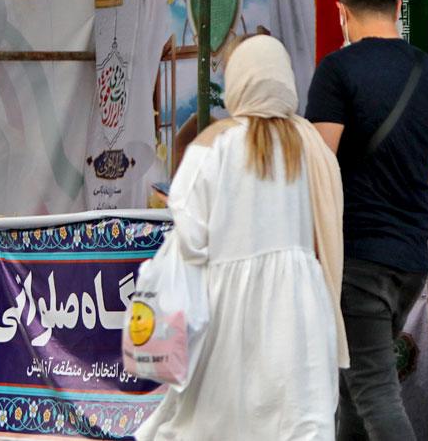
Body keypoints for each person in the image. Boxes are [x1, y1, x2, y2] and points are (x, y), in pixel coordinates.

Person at [135, 35, 349, 440]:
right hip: (302, 310)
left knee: (217, 421)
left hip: (228, 309)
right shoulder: (310, 146)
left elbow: (191, 236)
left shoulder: (214, 144)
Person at [305, 0, 428, 440]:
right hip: (411, 257)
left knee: (375, 393)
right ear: (398, 5)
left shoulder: (337, 71)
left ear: (340, 12)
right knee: (354, 390)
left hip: (359, 259)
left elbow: (320, 170)